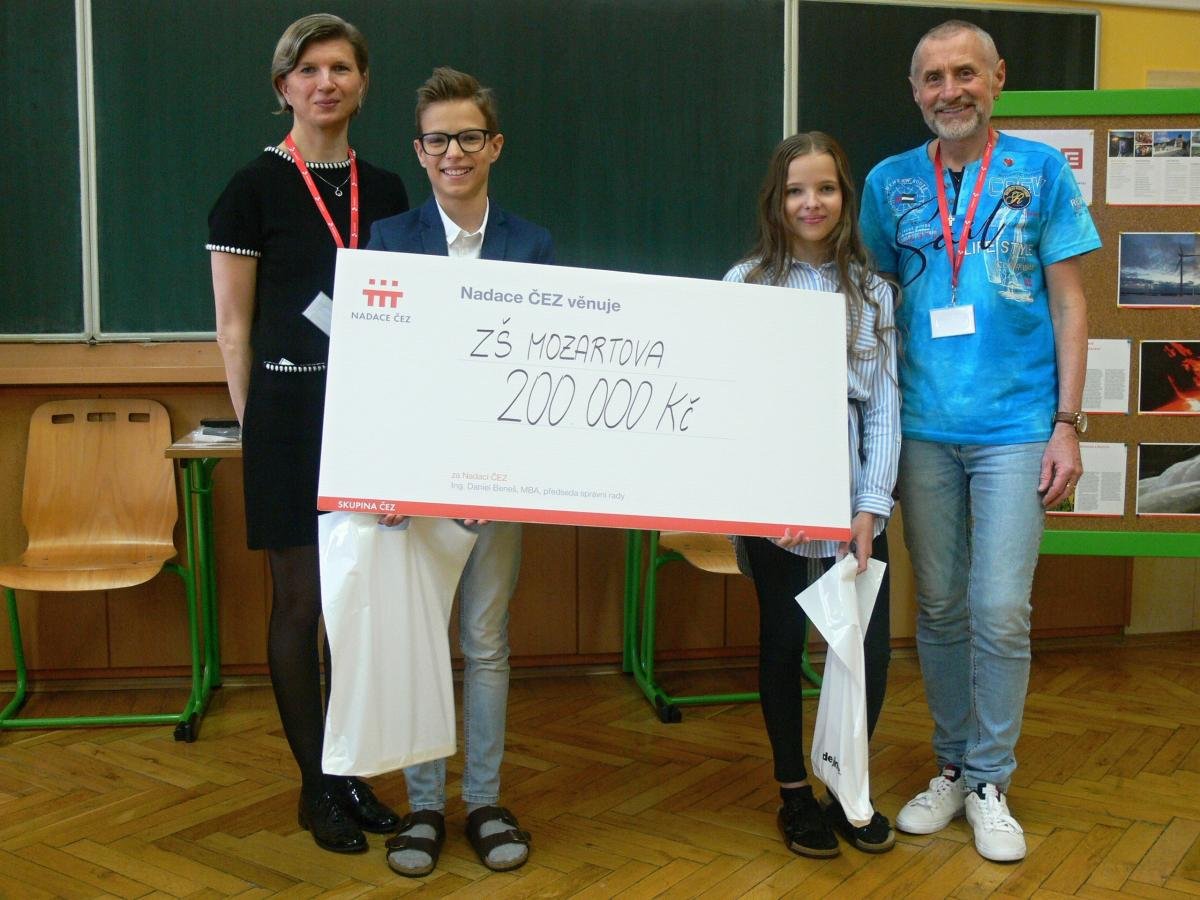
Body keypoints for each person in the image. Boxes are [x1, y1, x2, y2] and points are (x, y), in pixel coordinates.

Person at [859, 20, 1100, 862]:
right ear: (915, 91)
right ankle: (954, 766)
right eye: (933, 78)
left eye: (965, 73)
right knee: (939, 607)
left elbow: (1071, 302)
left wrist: (1068, 423)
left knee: (1000, 609)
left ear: (997, 78)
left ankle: (992, 780)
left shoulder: (1042, 171)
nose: (949, 90)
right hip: (922, 428)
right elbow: (873, 304)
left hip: (1017, 429)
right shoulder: (888, 184)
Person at [207, 13, 409, 854]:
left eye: (341, 68)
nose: (326, 82)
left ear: (362, 84)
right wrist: (255, 425)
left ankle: (350, 768)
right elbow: (233, 327)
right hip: (288, 418)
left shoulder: (388, 190)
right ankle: (315, 785)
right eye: (309, 69)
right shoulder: (250, 188)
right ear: (283, 86)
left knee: (357, 603)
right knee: (300, 600)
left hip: (369, 418)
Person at [366, 66, 553, 878]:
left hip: (497, 481)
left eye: (469, 137)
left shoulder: (531, 244)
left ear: (495, 145)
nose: (454, 152)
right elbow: (376, 371)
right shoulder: (387, 241)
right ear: (419, 150)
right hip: (413, 484)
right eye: (439, 140)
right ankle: (422, 808)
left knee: (484, 641)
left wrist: (504, 475)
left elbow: (540, 372)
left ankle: (481, 800)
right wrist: (389, 479)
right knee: (419, 640)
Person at [724, 132, 900, 858]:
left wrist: (871, 507)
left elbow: (883, 408)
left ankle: (845, 787)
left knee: (867, 652)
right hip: (777, 510)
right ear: (777, 200)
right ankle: (794, 790)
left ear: (844, 197)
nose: (811, 203)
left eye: (825, 188)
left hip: (854, 505)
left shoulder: (873, 292)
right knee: (783, 641)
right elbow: (730, 403)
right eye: (796, 190)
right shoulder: (746, 283)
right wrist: (769, 499)